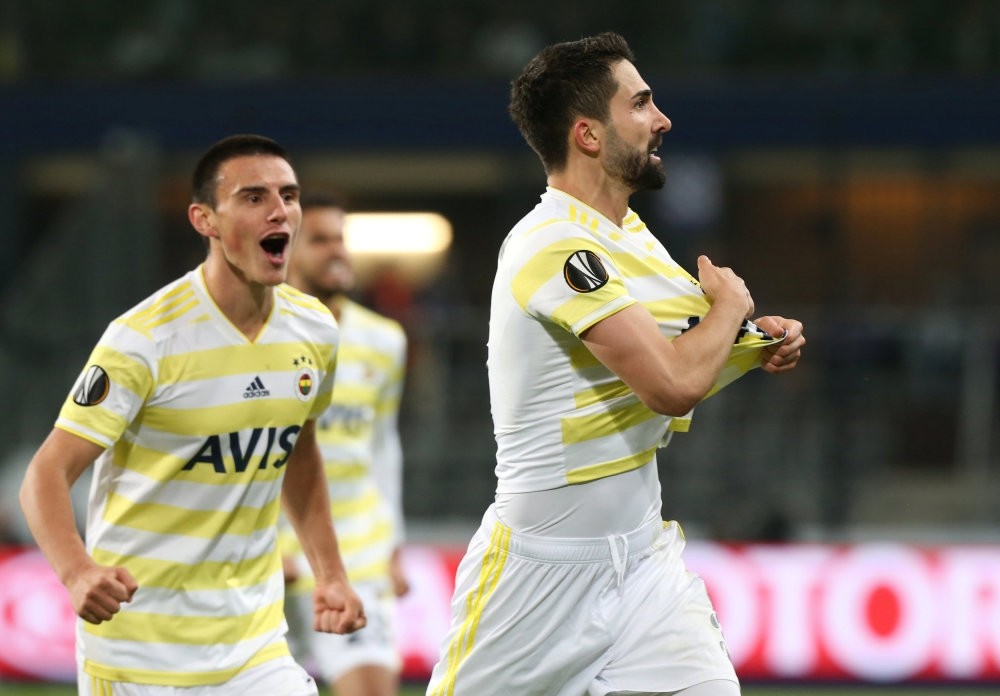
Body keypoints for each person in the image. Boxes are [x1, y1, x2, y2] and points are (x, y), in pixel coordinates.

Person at [426, 32, 806, 696]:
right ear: (589, 136)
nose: (662, 120)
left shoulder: (630, 236)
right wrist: (733, 306)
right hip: (538, 580)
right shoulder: (551, 245)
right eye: (641, 103)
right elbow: (670, 385)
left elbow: (675, 362)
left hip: (644, 568)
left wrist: (752, 346)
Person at [18, 134, 366, 696]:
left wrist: (330, 574)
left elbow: (298, 451)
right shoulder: (143, 340)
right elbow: (46, 474)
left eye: (288, 194)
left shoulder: (316, 330)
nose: (279, 210)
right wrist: (77, 570)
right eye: (253, 197)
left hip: (253, 645)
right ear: (205, 219)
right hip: (140, 655)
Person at [280, 194, 410, 696]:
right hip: (269, 558)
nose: (337, 251)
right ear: (285, 253)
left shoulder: (385, 339)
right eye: (319, 240)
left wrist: (393, 546)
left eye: (341, 238)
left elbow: (382, 447)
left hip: (357, 551)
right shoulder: (263, 335)